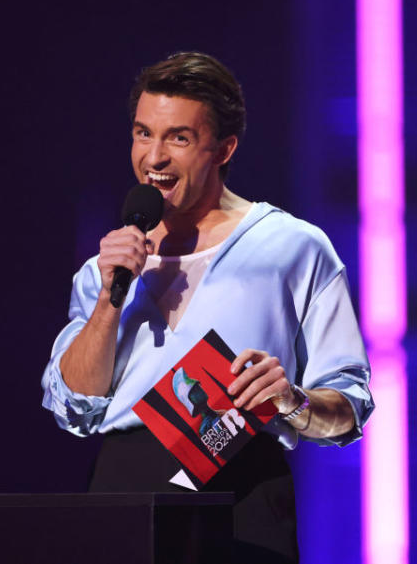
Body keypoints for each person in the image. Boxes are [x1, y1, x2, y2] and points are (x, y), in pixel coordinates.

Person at [41, 51, 373, 563]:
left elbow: (348, 409)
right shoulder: (104, 267)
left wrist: (292, 401)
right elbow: (75, 409)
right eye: (142, 133)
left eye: (179, 138)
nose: (154, 158)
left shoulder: (292, 248)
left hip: (240, 496)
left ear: (223, 148)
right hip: (122, 498)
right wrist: (111, 298)